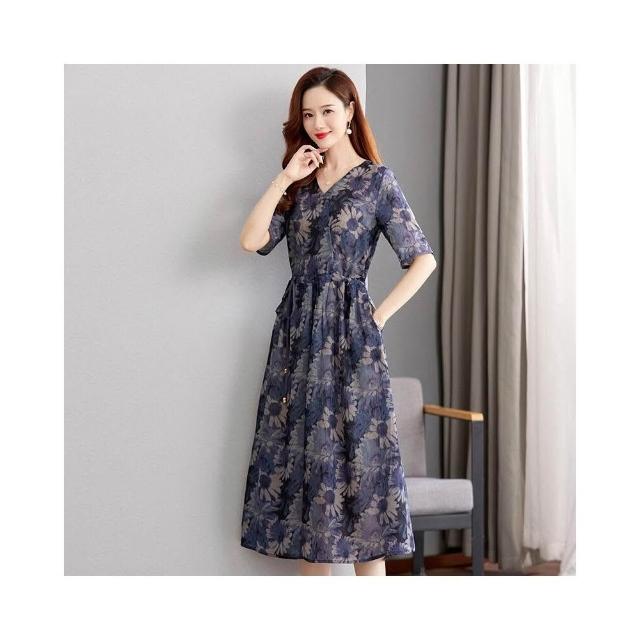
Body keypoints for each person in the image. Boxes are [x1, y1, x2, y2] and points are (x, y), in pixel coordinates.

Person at [239, 67, 437, 576]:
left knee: (362, 477)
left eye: (327, 110)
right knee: (309, 479)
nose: (318, 123)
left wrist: (378, 316)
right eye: (308, 115)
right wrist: (285, 178)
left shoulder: (376, 182)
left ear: (350, 112)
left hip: (352, 339)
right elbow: (252, 240)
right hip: (298, 341)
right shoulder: (300, 184)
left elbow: (422, 259)